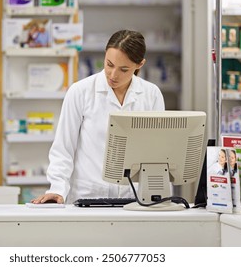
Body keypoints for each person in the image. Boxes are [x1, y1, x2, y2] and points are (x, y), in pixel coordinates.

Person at [31, 29, 165, 204]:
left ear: (140, 65)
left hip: (133, 198)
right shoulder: (80, 92)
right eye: (109, 64)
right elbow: (63, 149)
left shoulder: (151, 95)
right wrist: (57, 189)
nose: (113, 75)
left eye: (124, 69)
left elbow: (157, 152)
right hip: (88, 196)